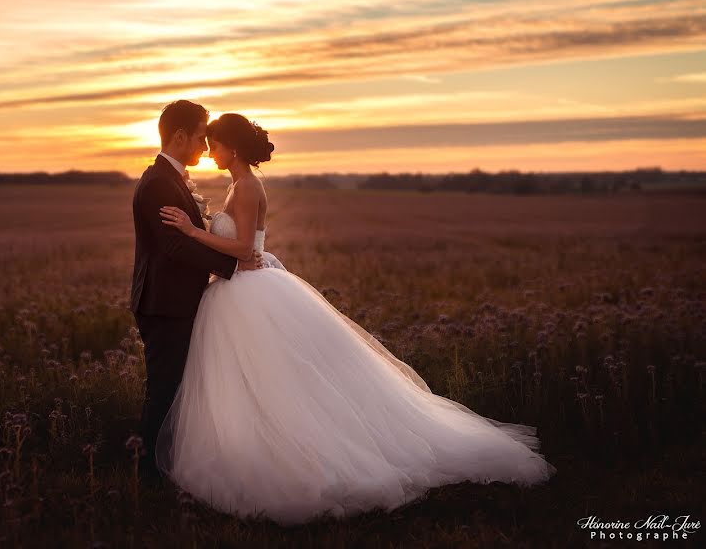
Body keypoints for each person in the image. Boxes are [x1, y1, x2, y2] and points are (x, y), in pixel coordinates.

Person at [155, 113, 557, 525]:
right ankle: (257, 446)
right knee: (258, 381)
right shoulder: (239, 185)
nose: (210, 151)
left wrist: (191, 230)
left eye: (215, 144)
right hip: (241, 290)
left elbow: (242, 249)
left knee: (275, 381)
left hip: (248, 288)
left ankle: (295, 456)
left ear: (232, 148)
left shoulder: (248, 187)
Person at [129, 100, 263, 481]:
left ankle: (161, 465)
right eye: (202, 137)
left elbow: (188, 238)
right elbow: (174, 246)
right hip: (164, 303)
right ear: (180, 136)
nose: (205, 147)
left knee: (175, 387)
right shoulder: (158, 182)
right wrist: (232, 265)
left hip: (175, 300)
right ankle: (148, 474)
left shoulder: (171, 178)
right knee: (165, 389)